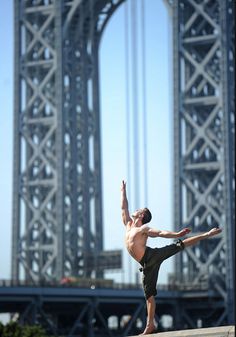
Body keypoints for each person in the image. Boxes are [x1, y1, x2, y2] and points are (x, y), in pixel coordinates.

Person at [121, 180, 222, 335]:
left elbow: (161, 233)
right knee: (149, 295)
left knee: (178, 245)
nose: (134, 210)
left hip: (152, 256)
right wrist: (123, 191)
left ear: (141, 215)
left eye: (138, 209)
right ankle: (151, 325)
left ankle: (207, 234)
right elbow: (124, 207)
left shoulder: (143, 229)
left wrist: (176, 234)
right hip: (145, 263)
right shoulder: (128, 224)